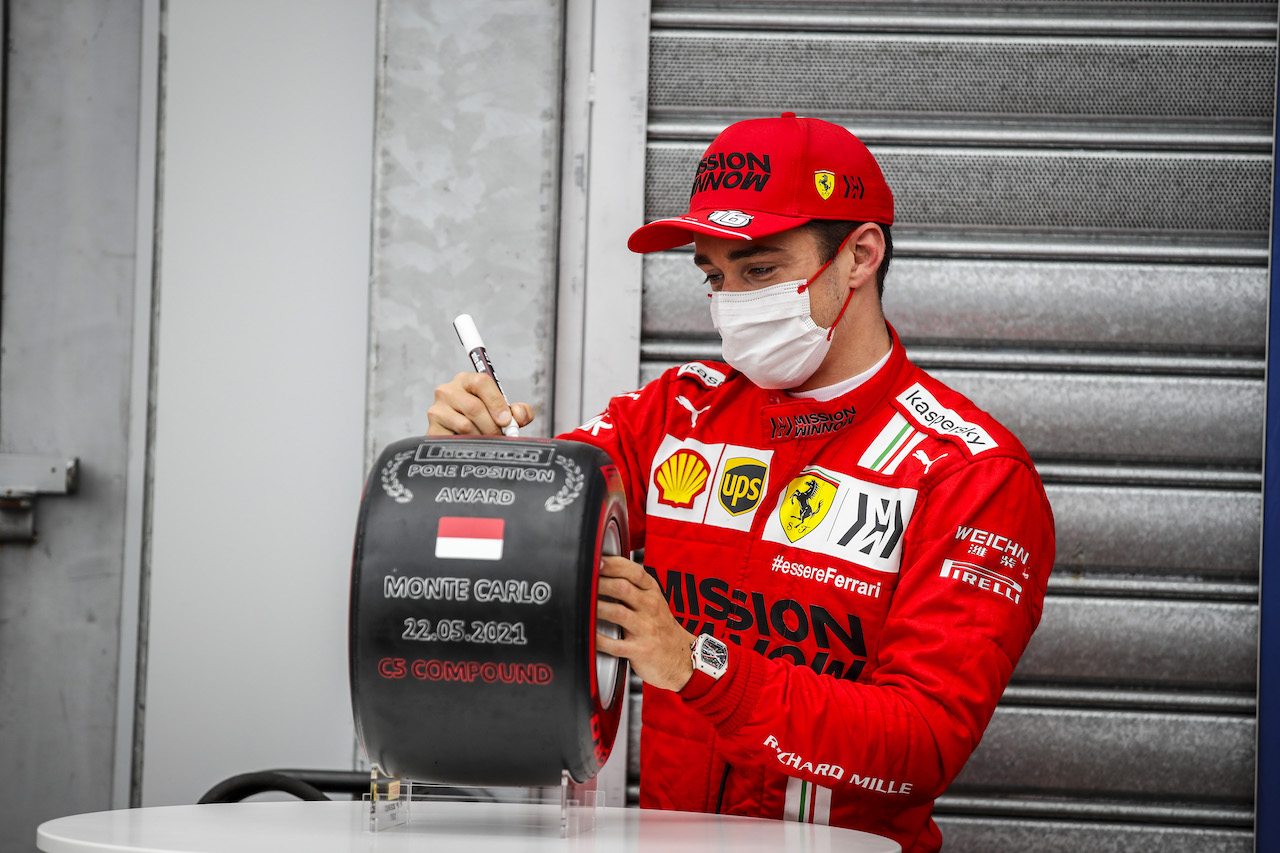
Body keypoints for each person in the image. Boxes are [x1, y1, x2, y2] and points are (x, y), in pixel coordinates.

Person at [427, 112, 1055, 853]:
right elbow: (531, 546)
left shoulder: (970, 473)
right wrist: (469, 464)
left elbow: (921, 745)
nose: (732, 302)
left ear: (860, 254)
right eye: (714, 277)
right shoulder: (670, 414)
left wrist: (698, 663)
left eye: (759, 270)